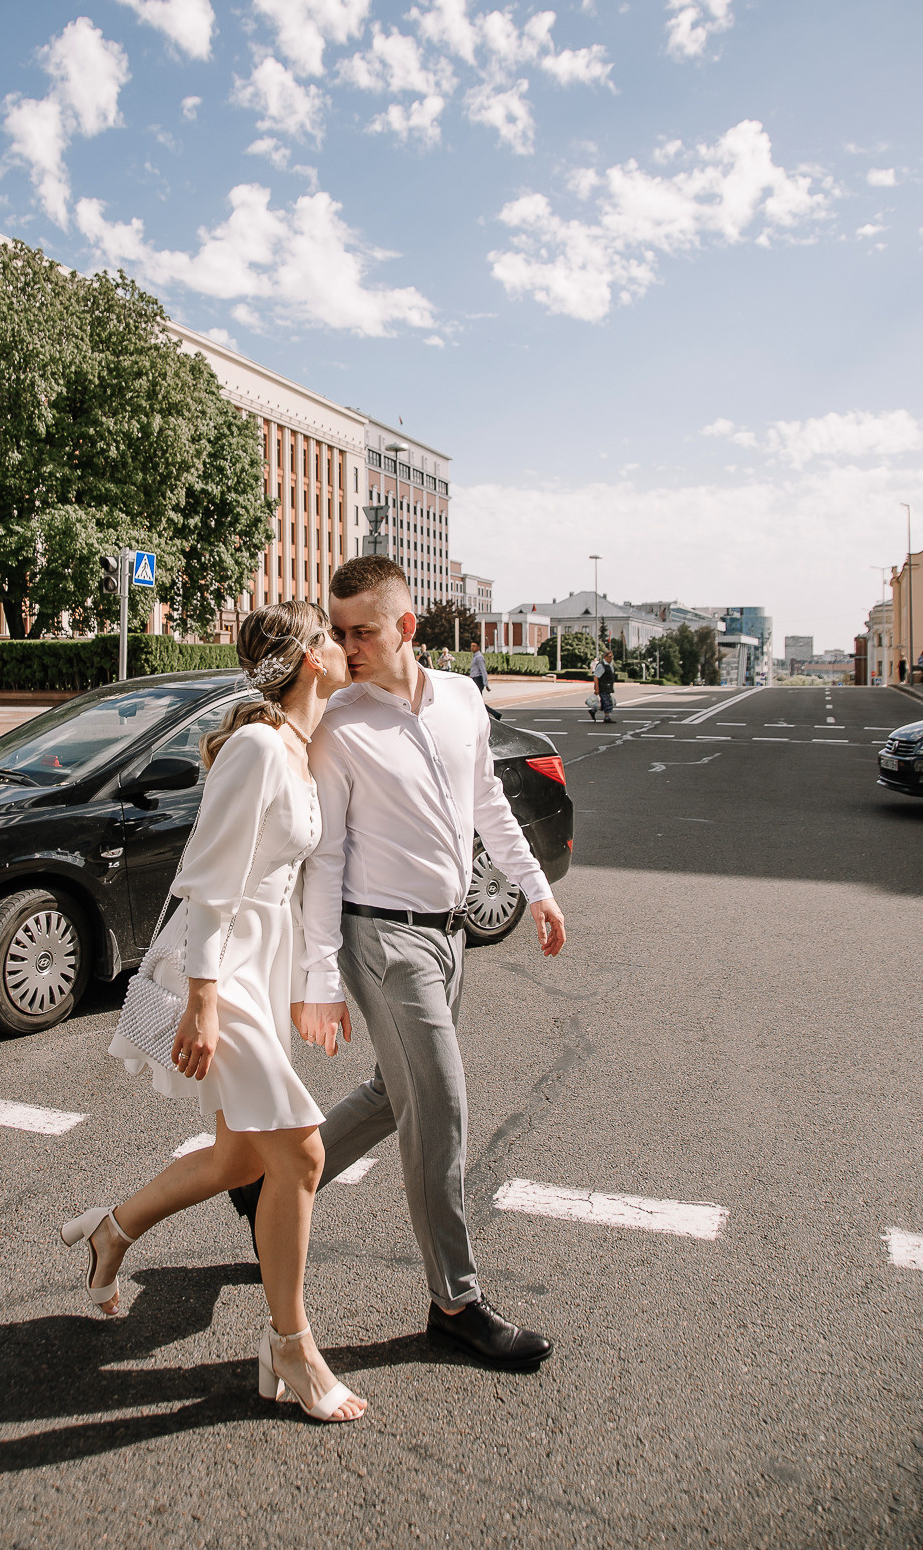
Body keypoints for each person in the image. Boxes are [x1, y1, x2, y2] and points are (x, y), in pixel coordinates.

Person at [232, 556, 567, 1371]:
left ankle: (267, 1185)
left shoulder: (459, 698)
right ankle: (455, 1302)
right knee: (440, 1105)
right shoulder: (340, 724)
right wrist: (318, 981)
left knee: (396, 1090)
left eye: (363, 632)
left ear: (407, 627)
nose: (347, 648)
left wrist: (535, 890)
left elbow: (487, 798)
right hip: (382, 938)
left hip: (450, 935)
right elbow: (327, 860)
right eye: (337, 634)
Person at [63, 601, 367, 1424]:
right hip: (223, 971)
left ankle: (113, 1229)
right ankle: (291, 1344)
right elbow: (207, 879)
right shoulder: (261, 749)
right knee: (301, 1152)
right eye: (332, 639)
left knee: (243, 1158)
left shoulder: (302, 749)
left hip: (259, 972)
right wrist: (200, 1000)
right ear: (309, 660)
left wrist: (312, 983)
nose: (346, 649)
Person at [592, 647, 617, 723]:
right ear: (605, 657)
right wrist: (597, 689)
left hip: (607, 687)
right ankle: (607, 717)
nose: (611, 658)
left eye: (612, 656)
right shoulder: (601, 665)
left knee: (604, 702)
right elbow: (596, 677)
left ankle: (593, 711)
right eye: (609, 656)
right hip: (603, 687)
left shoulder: (609, 665)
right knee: (608, 702)